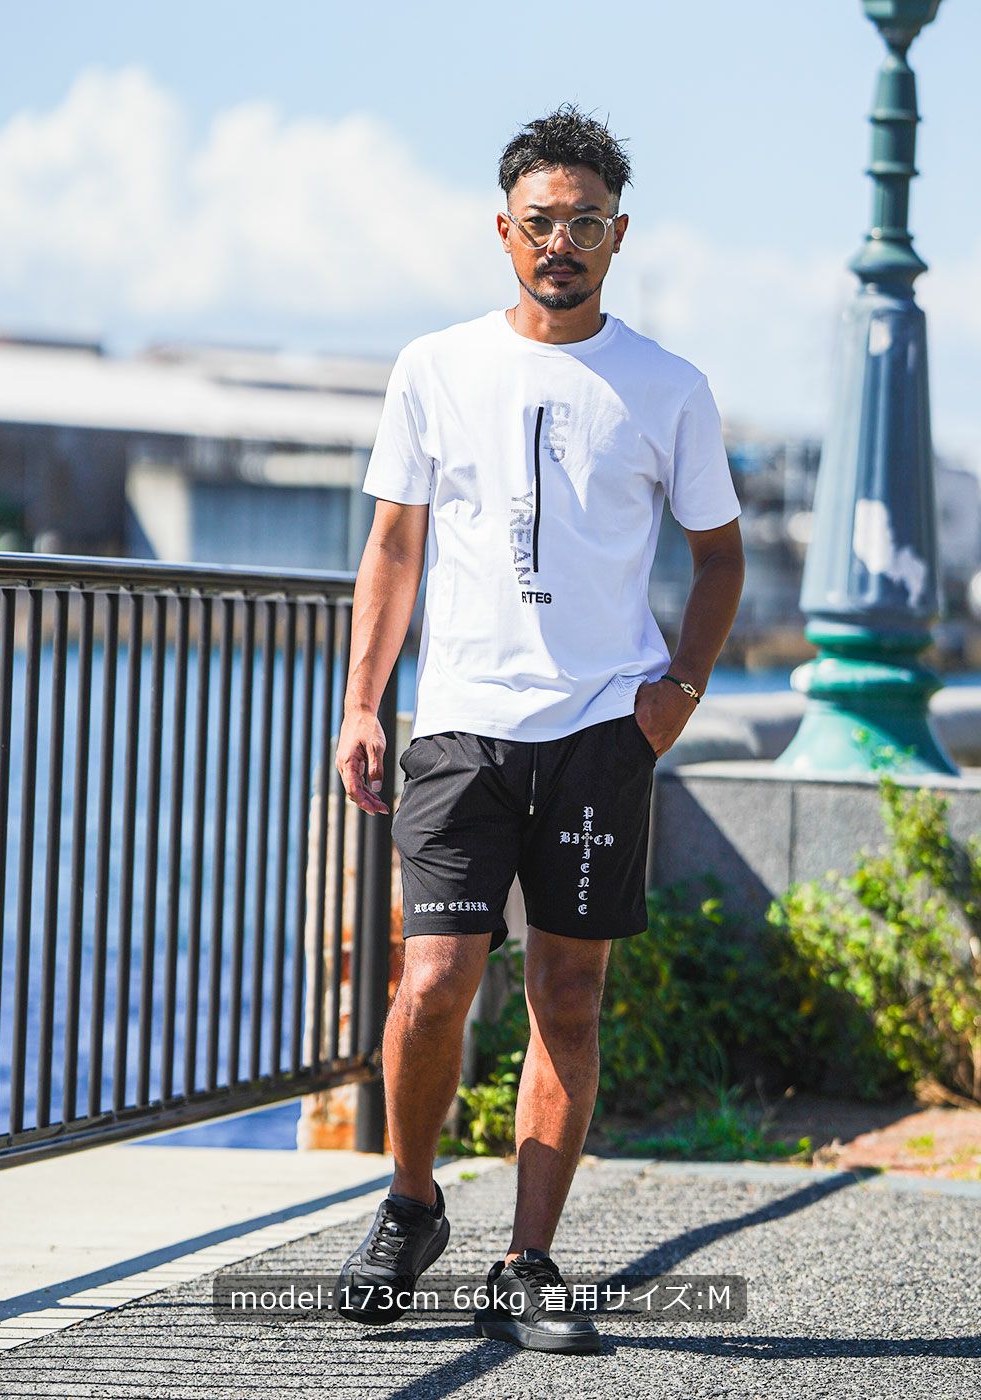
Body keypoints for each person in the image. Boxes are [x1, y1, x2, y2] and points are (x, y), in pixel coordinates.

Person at [332, 103, 745, 1355]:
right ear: (503, 230)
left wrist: (677, 692)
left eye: (584, 223)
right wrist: (363, 699)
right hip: (461, 725)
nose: (560, 241)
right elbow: (393, 545)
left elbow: (718, 557)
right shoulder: (434, 366)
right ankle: (410, 1204)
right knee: (431, 981)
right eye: (539, 221)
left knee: (567, 994)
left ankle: (527, 1261)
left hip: (602, 730)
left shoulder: (668, 386)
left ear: (618, 236)